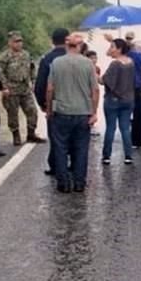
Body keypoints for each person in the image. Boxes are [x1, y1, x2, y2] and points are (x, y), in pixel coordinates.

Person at [46, 33, 100, 193]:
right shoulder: (88, 64)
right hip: (83, 112)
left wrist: (49, 110)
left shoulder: (56, 63)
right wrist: (94, 112)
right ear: (80, 46)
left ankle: (63, 182)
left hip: (61, 111)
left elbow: (50, 89)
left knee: (60, 147)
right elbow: (95, 90)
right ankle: (79, 182)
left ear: (66, 45)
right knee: (81, 148)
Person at [0, 30, 44, 146]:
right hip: (11, 88)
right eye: (16, 41)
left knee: (32, 110)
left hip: (24, 88)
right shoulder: (5, 56)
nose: (19, 44)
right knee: (13, 114)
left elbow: (32, 68)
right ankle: (16, 135)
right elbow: (0, 72)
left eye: (20, 41)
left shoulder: (26, 54)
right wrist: (4, 87)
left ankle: (31, 133)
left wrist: (33, 81)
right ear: (10, 43)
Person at [35, 28, 70, 175]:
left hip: (54, 104)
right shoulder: (77, 58)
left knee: (56, 137)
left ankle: (56, 166)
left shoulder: (47, 59)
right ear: (67, 40)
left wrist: (43, 105)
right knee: (74, 138)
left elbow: (40, 85)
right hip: (77, 105)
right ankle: (74, 167)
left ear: (52, 41)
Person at [100, 39, 136, 165]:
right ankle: (128, 155)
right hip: (128, 99)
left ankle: (106, 156)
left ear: (119, 49)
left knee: (110, 127)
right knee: (125, 128)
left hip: (113, 100)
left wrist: (97, 75)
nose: (110, 48)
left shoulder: (115, 64)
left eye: (112, 46)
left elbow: (105, 81)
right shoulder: (131, 62)